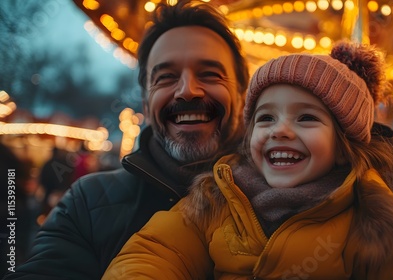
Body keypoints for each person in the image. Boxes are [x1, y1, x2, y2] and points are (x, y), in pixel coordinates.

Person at [103, 41, 393, 279]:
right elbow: (157, 251)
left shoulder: (377, 214)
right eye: (265, 118)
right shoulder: (218, 198)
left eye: (306, 118)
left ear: (342, 145)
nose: (280, 131)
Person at [3, 0, 249, 279]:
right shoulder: (88, 203)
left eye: (210, 74)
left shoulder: (293, 196)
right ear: (146, 103)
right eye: (166, 77)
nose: (187, 91)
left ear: (243, 97)